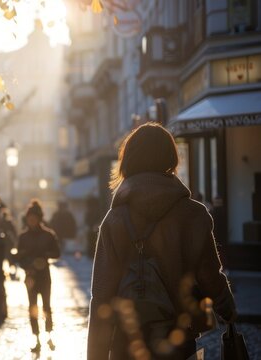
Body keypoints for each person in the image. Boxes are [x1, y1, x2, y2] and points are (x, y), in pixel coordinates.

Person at [87, 123, 237, 360]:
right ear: (171, 157)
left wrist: (95, 355)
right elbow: (209, 274)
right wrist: (226, 308)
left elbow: (101, 296)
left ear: (128, 160)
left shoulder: (113, 220)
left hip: (127, 342)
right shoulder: (193, 214)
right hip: (177, 336)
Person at [16, 200, 60, 353]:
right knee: (32, 307)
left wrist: (44, 256)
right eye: (29, 218)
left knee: (46, 306)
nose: (31, 221)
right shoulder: (23, 237)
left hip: (44, 276)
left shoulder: (48, 235)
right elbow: (19, 258)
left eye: (34, 218)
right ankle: (36, 338)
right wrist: (27, 263)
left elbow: (57, 253)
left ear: (39, 218)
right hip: (30, 277)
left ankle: (49, 335)